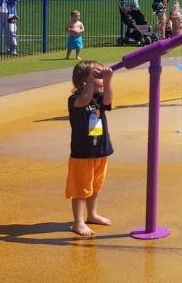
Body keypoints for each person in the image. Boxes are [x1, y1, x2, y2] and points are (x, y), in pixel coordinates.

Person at [66, 60, 115, 237]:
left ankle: (92, 214)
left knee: (95, 186)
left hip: (101, 151)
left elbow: (109, 100)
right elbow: (85, 99)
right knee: (80, 189)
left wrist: (108, 82)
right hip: (82, 154)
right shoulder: (75, 100)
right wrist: (89, 82)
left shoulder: (100, 97)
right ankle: (78, 222)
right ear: (83, 82)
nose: (101, 80)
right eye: (98, 77)